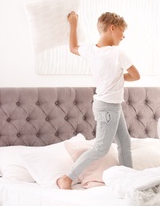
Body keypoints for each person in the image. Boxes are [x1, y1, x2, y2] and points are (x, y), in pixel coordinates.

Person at [57, 11, 140, 190]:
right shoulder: (117, 53)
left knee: (124, 143)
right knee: (101, 147)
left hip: (110, 106)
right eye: (121, 31)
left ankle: (129, 179)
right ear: (112, 28)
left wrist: (73, 24)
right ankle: (67, 177)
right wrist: (119, 77)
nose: (123, 36)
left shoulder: (90, 50)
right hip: (108, 108)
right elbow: (136, 75)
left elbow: (72, 48)